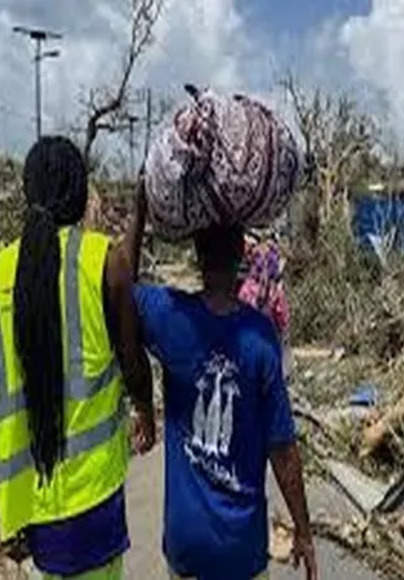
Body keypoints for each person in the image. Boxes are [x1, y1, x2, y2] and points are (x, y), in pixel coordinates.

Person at [0, 136, 154, 579]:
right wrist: (145, 409)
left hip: (31, 506)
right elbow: (132, 360)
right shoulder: (102, 261)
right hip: (94, 498)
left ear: (28, 194)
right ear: (84, 194)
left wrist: (2, 517)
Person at [127, 182, 318, 580]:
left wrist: (141, 208)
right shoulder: (260, 337)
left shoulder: (169, 316)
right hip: (241, 551)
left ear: (197, 256)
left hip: (186, 546)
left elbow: (120, 293)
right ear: (240, 258)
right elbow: (282, 450)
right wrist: (303, 530)